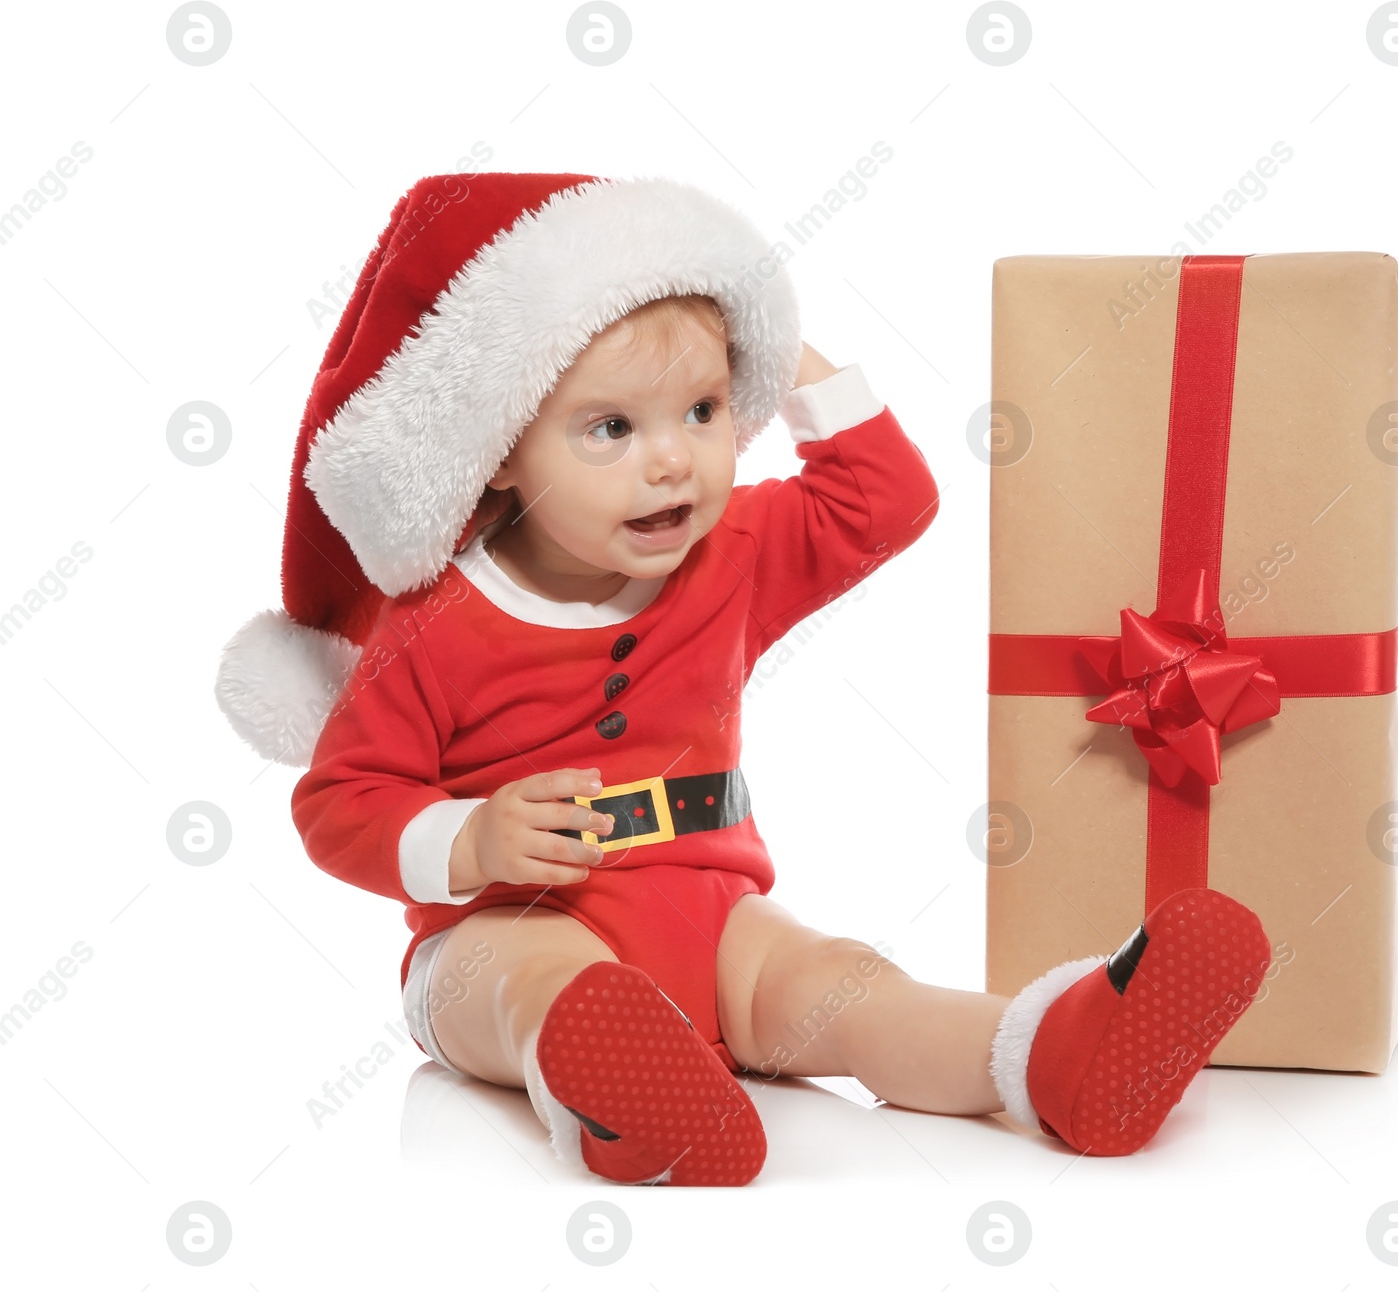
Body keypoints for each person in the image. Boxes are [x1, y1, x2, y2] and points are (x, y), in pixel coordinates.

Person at [215, 172, 1272, 1187]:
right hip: (506, 925)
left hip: (711, 915)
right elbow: (339, 803)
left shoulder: (730, 554)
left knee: (839, 983)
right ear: (498, 449)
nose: (673, 461)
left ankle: (1047, 1054)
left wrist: (761, 339)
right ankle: (610, 1103)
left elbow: (886, 500)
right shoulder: (434, 627)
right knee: (537, 987)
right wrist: (471, 838)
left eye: (706, 410)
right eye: (611, 428)